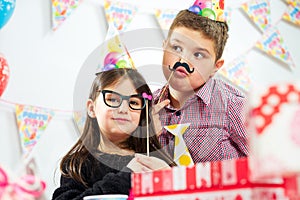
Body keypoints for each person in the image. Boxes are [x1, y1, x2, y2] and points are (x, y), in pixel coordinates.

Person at [52, 68, 176, 200]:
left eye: (133, 102)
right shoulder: (78, 165)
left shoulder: (156, 160)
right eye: (113, 99)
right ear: (91, 108)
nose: (123, 109)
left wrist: (171, 182)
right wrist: (128, 177)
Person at [153, 6, 249, 163]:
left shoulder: (233, 105)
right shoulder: (147, 107)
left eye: (198, 55)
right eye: (176, 48)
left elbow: (271, 165)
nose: (182, 62)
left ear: (215, 67)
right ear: (164, 46)